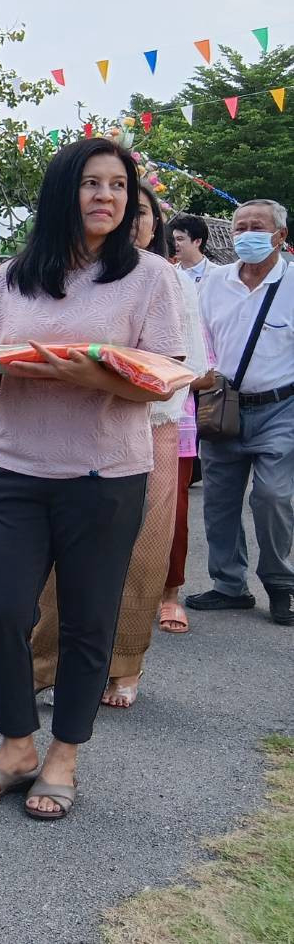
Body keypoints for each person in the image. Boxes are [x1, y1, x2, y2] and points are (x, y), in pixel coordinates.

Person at [0, 138, 184, 820]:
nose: (106, 196)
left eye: (117, 184)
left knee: (87, 620)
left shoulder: (149, 278)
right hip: (14, 468)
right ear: (63, 191)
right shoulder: (13, 274)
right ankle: (16, 744)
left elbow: (164, 379)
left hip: (104, 477)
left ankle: (63, 755)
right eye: (91, 183)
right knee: (0, 611)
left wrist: (93, 375)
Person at [29, 183, 203, 706]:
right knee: (64, 555)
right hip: (76, 427)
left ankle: (124, 665)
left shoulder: (169, 279)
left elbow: (185, 367)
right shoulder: (75, 276)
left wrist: (132, 390)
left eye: (142, 212)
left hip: (151, 426)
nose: (132, 222)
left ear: (153, 224)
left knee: (142, 551)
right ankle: (46, 663)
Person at [187, 198, 293, 626]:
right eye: (240, 227)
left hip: (280, 408)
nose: (247, 234)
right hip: (222, 406)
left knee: (273, 497)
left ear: (280, 236)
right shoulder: (214, 283)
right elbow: (197, 338)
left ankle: (281, 584)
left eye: (257, 227)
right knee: (220, 501)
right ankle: (229, 585)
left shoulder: (291, 283)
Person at [168, 213, 211, 284]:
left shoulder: (218, 274)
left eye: (180, 239)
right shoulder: (168, 274)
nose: (174, 244)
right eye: (173, 239)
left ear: (197, 242)